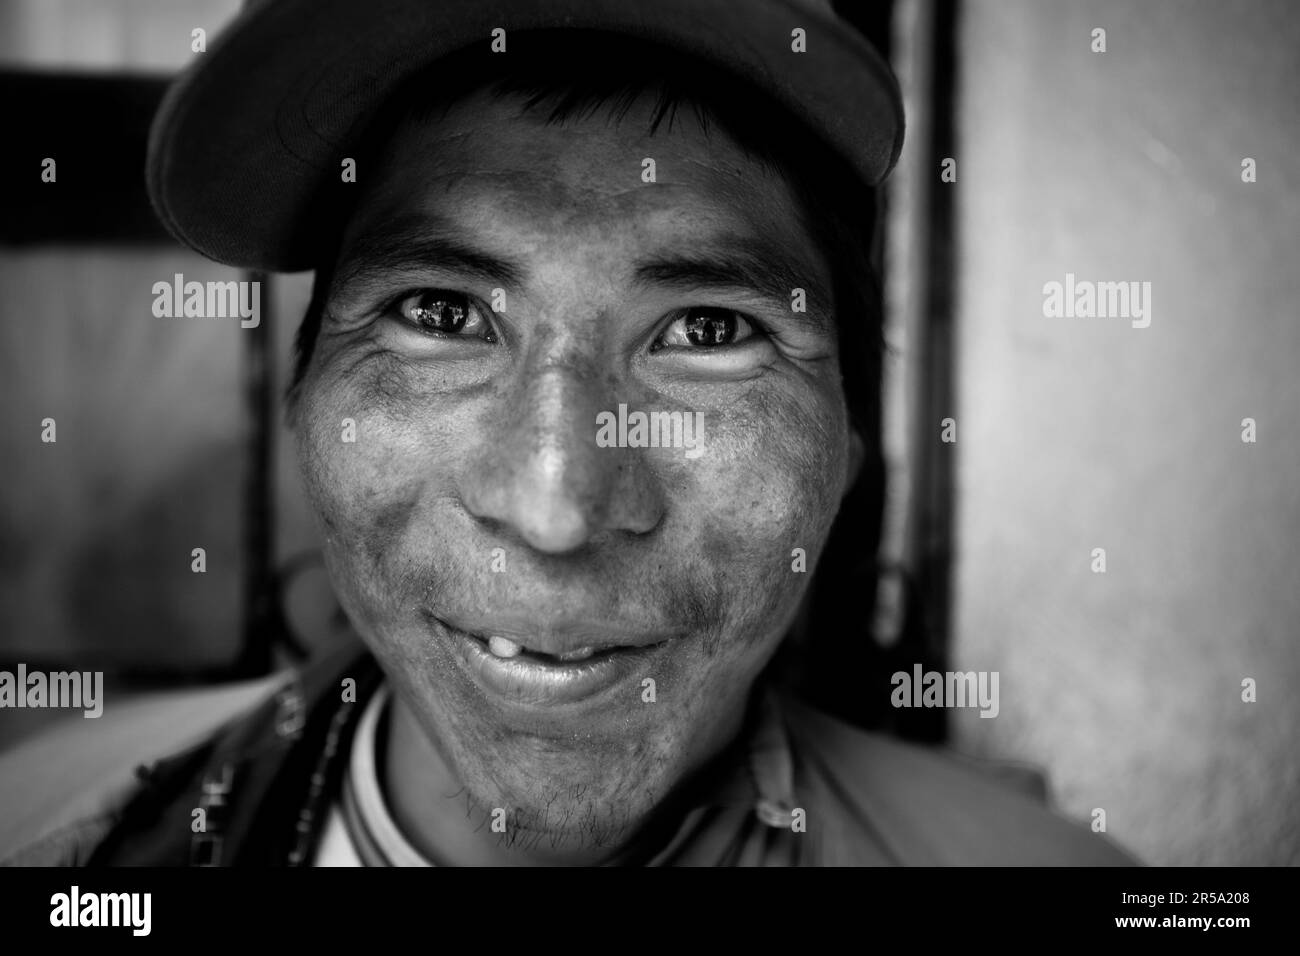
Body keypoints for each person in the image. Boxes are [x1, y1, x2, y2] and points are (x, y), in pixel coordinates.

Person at [0, 0, 1134, 866]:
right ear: (302, 403)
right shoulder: (57, 828)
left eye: (705, 327)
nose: (553, 506)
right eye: (441, 314)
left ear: (846, 442)